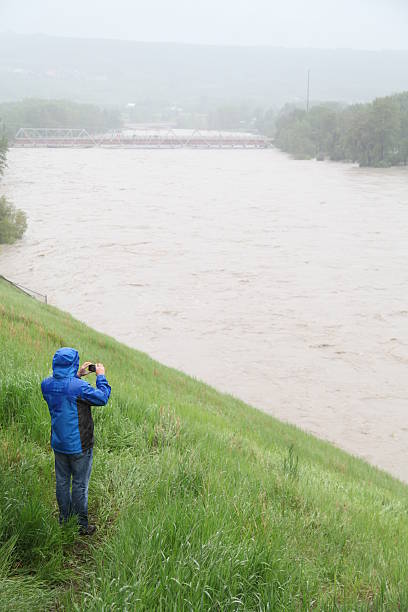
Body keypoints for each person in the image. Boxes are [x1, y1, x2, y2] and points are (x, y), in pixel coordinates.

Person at [41, 347, 111, 535]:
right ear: (73, 364)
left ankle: (65, 521)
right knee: (80, 484)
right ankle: (81, 526)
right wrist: (101, 376)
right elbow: (102, 398)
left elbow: (64, 390)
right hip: (80, 445)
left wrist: (77, 374)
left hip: (58, 443)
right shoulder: (78, 387)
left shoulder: (46, 384)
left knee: (62, 482)